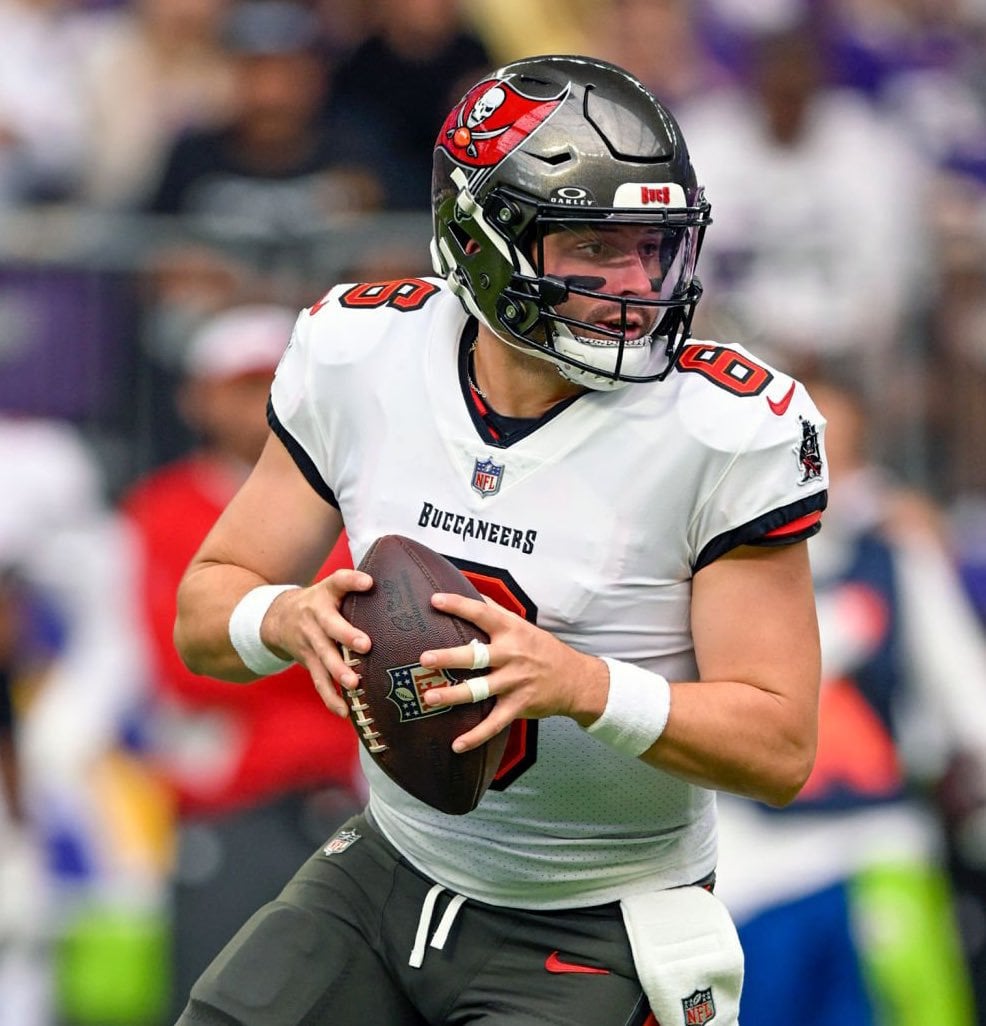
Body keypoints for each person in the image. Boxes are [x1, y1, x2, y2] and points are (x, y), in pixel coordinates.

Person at [171, 55, 829, 1026]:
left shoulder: (721, 430)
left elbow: (779, 746)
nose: (635, 285)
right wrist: (286, 616)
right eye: (594, 248)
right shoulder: (365, 356)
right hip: (389, 870)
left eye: (653, 247)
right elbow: (204, 612)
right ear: (482, 240)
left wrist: (584, 686)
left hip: (600, 918)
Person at [714, 372, 986, 1026]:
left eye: (840, 450)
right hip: (754, 865)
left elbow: (967, 697)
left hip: (880, 846)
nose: (820, 468)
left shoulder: (894, 554)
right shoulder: (715, 565)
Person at [119, 304, 363, 1021]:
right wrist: (302, 648)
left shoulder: (355, 500)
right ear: (198, 397)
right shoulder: (160, 509)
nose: (261, 402)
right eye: (243, 384)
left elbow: (366, 646)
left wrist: (264, 645)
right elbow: (184, 663)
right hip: (226, 797)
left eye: (273, 382)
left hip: (344, 792)